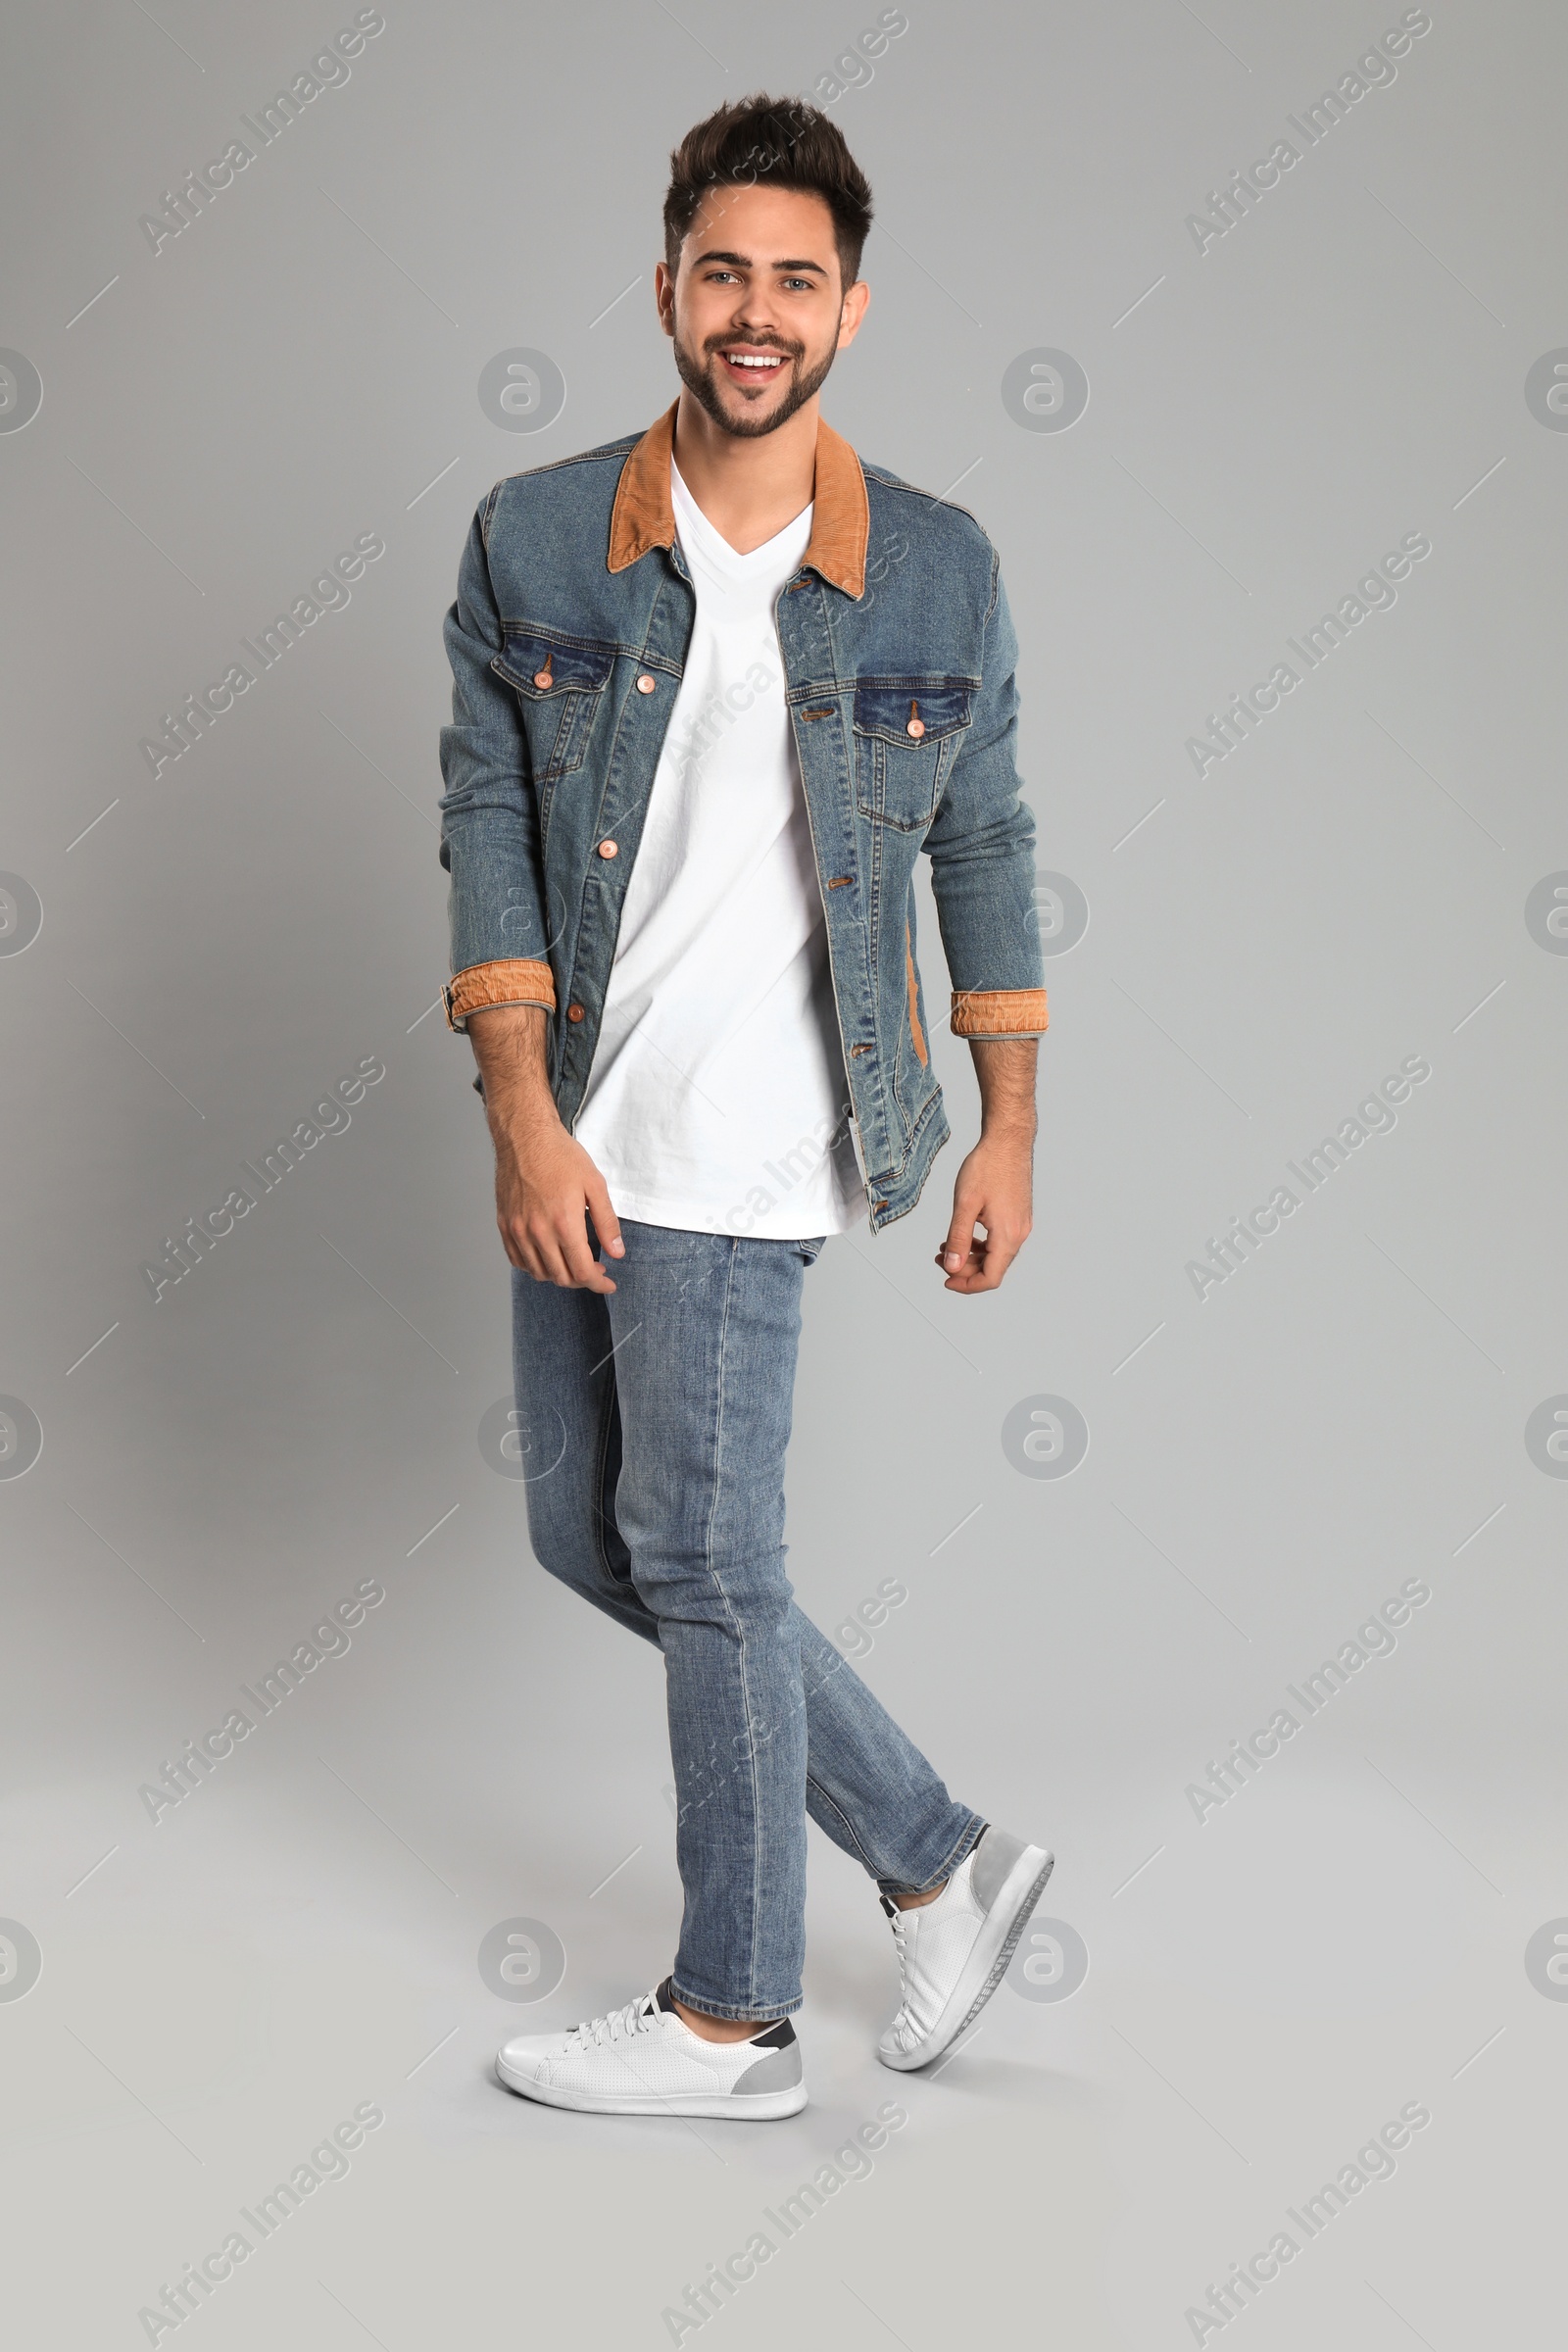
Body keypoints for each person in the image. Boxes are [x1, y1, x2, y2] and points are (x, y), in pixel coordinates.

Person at [438, 93, 1052, 2120]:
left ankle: (731, 2021)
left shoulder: (931, 571)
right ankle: (936, 1859)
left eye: (796, 277)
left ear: (849, 310)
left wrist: (1006, 1123)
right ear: (667, 291)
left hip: (762, 1126)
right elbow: (489, 828)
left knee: (700, 1554)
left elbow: (980, 843)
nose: (756, 311)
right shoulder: (539, 536)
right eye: (724, 272)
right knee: (595, 1535)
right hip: (585, 1119)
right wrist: (524, 1116)